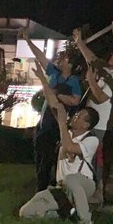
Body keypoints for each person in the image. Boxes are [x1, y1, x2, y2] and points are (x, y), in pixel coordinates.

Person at [20, 62, 100, 224]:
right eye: (77, 113)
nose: (75, 116)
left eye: (80, 116)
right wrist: (43, 80)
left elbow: (70, 148)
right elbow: (53, 102)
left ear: (86, 125)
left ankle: (85, 220)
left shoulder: (91, 139)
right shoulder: (67, 133)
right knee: (26, 212)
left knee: (72, 180)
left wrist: (62, 123)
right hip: (61, 188)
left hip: (84, 185)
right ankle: (64, 212)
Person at [72, 27, 113, 204]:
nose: (112, 57)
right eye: (111, 54)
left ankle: (98, 191)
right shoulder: (103, 67)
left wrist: (91, 81)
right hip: (89, 122)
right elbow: (92, 58)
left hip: (102, 124)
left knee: (98, 159)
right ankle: (83, 188)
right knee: (84, 155)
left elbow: (102, 98)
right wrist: (80, 42)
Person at [25, 33, 83, 192]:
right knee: (40, 155)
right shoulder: (54, 73)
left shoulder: (73, 80)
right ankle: (42, 186)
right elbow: (41, 57)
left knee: (51, 157)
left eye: (63, 58)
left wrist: (60, 96)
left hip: (57, 123)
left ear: (70, 64)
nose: (59, 60)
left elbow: (76, 100)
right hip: (45, 121)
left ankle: (47, 188)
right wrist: (28, 41)